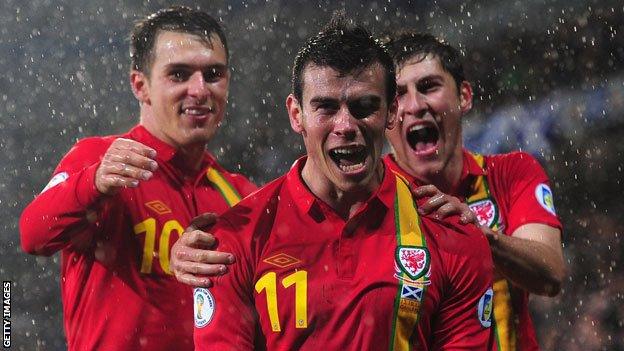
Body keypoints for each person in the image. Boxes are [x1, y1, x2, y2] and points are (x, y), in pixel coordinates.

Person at [190, 16, 494, 350]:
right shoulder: (234, 240)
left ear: (392, 112)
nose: (346, 125)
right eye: (327, 107)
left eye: (364, 106)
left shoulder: (454, 237)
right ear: (296, 115)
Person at [19, 6, 256, 351]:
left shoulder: (240, 195)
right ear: (140, 86)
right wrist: (94, 183)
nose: (200, 89)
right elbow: (32, 234)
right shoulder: (98, 161)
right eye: (179, 74)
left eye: (213, 73)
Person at [383, 31, 566, 351]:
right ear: (385, 117)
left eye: (428, 86)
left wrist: (481, 237)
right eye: (398, 96)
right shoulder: (373, 199)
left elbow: (550, 274)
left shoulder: (512, 174)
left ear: (464, 97)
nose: (414, 106)